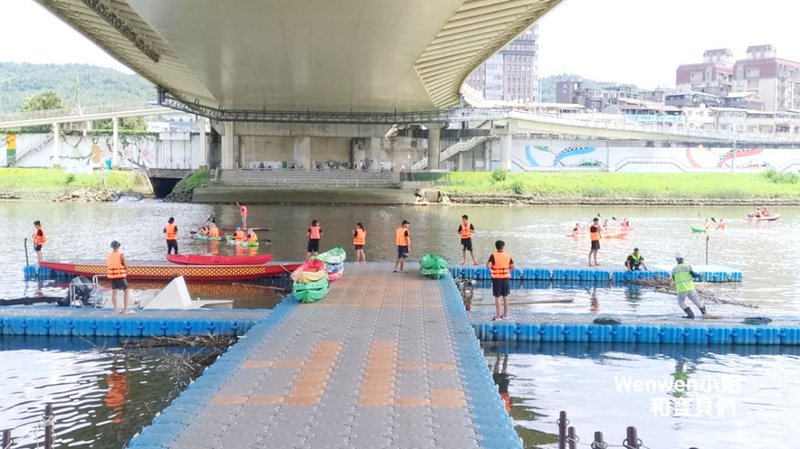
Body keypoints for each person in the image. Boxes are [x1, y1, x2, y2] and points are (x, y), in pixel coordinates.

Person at [671, 251, 707, 319]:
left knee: (680, 302)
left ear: (676, 259)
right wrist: (700, 275)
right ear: (683, 258)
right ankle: (704, 312)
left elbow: (674, 279)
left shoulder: (674, 269)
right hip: (690, 288)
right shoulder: (687, 265)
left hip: (681, 289)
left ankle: (690, 314)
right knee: (696, 300)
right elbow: (694, 275)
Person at [487, 240, 515, 321]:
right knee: (505, 296)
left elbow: (488, 266)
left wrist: (493, 267)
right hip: (505, 278)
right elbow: (513, 267)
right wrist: (506, 267)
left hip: (496, 278)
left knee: (497, 297)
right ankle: (505, 315)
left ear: (496, 247)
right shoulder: (507, 255)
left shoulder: (493, 255)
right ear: (503, 247)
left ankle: (498, 316)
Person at [107, 240, 131, 314]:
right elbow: (125, 265)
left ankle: (115, 310)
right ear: (118, 246)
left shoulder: (109, 255)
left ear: (112, 247)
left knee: (114, 292)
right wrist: (126, 273)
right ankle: (125, 310)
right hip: (120, 276)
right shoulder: (121, 255)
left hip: (112, 276)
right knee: (126, 291)